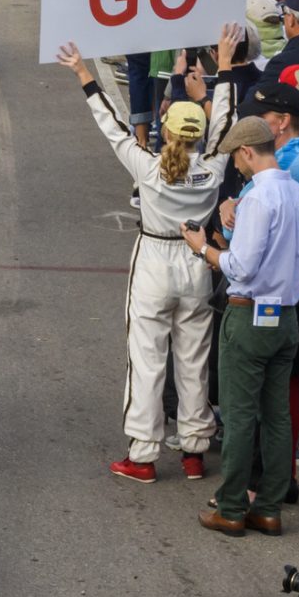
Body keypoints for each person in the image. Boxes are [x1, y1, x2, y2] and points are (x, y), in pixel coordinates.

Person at [58, 29, 239, 484]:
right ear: (196, 136)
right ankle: (195, 453)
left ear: (167, 131)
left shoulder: (148, 166)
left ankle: (142, 454)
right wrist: (226, 64)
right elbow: (225, 118)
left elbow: (111, 126)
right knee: (194, 359)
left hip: (155, 261)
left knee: (147, 357)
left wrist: (83, 70)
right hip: (198, 259)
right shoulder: (213, 165)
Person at [182, 115, 299, 537]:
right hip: (287, 315)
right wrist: (231, 233)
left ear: (246, 152)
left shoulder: (259, 198)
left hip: (249, 314)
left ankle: (231, 507)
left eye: (236, 159)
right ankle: (270, 507)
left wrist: (203, 247)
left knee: (240, 416)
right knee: (277, 415)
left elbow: (240, 267)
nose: (237, 168)